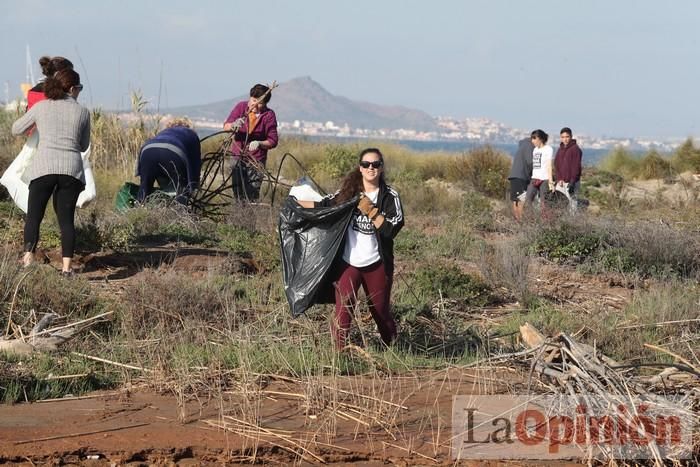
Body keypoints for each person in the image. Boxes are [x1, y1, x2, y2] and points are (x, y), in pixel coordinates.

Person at [296, 148, 404, 349]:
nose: (371, 168)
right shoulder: (348, 193)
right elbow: (325, 204)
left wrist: (371, 210)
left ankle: (394, 349)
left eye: (376, 164)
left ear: (381, 168)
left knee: (380, 312)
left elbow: (392, 228)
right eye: (366, 164)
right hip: (348, 263)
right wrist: (294, 205)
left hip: (376, 264)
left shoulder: (390, 196)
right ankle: (340, 357)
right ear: (360, 168)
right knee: (343, 311)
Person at [11, 69, 90, 275]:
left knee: (34, 216)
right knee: (66, 221)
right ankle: (66, 269)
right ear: (72, 89)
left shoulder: (41, 107)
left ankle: (28, 259)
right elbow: (83, 146)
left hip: (43, 167)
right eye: (79, 88)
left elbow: (16, 129)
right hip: (71, 170)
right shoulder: (83, 112)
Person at [223, 84, 279, 201]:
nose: (256, 105)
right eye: (254, 100)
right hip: (237, 157)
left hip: (256, 160)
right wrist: (233, 125)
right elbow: (226, 126)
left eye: (260, 103)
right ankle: (239, 216)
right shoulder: (241, 107)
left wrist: (260, 143)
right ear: (250, 97)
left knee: (252, 194)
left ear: (265, 104)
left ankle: (249, 218)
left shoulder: (269, 115)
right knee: (238, 192)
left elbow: (273, 141)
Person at [135, 117, 201, 204]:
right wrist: (193, 186)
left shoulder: (164, 132)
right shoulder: (191, 134)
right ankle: (181, 214)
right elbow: (195, 164)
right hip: (174, 150)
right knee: (182, 190)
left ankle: (139, 209)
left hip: (147, 150)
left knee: (145, 188)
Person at [554, 127, 583, 212]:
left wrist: (572, 182)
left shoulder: (575, 149)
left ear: (571, 136)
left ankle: (573, 224)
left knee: (572, 207)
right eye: (563, 137)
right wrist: (559, 179)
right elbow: (557, 165)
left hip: (572, 182)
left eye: (567, 137)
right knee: (559, 205)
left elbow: (576, 167)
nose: (565, 139)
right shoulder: (560, 149)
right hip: (561, 183)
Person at [508, 137, 534, 221]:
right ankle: (520, 221)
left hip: (514, 176)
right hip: (521, 177)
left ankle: (517, 220)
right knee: (520, 200)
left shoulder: (522, 145)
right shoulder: (529, 145)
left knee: (516, 200)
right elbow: (530, 162)